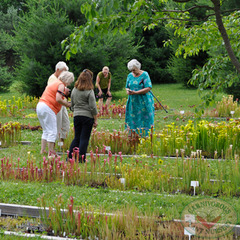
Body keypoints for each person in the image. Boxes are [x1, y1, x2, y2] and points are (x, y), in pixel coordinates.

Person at [37, 71, 74, 156]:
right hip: (48, 107)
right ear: (67, 79)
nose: (69, 84)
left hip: (40, 106)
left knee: (46, 130)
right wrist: (68, 104)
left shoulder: (54, 82)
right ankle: (51, 153)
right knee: (52, 131)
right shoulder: (61, 84)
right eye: (70, 82)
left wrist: (65, 94)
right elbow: (58, 99)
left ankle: (43, 151)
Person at [68, 69, 98, 162]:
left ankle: (70, 157)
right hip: (87, 117)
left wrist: (76, 111)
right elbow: (93, 106)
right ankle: (81, 158)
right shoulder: (89, 90)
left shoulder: (74, 89)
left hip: (76, 116)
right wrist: (95, 119)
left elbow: (72, 104)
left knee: (77, 137)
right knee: (84, 138)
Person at [125, 59, 154, 137]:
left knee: (145, 117)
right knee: (133, 116)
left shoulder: (145, 74)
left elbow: (148, 87)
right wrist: (128, 91)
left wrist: (136, 92)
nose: (133, 71)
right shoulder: (130, 75)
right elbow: (127, 86)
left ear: (138, 67)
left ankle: (146, 134)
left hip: (144, 100)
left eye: (134, 70)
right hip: (133, 101)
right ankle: (133, 134)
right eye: (131, 70)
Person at [48, 61, 70, 142]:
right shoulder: (52, 79)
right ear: (57, 70)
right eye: (63, 71)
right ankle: (55, 143)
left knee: (65, 123)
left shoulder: (60, 79)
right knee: (58, 124)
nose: (64, 73)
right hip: (56, 104)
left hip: (62, 103)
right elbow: (53, 93)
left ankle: (62, 142)